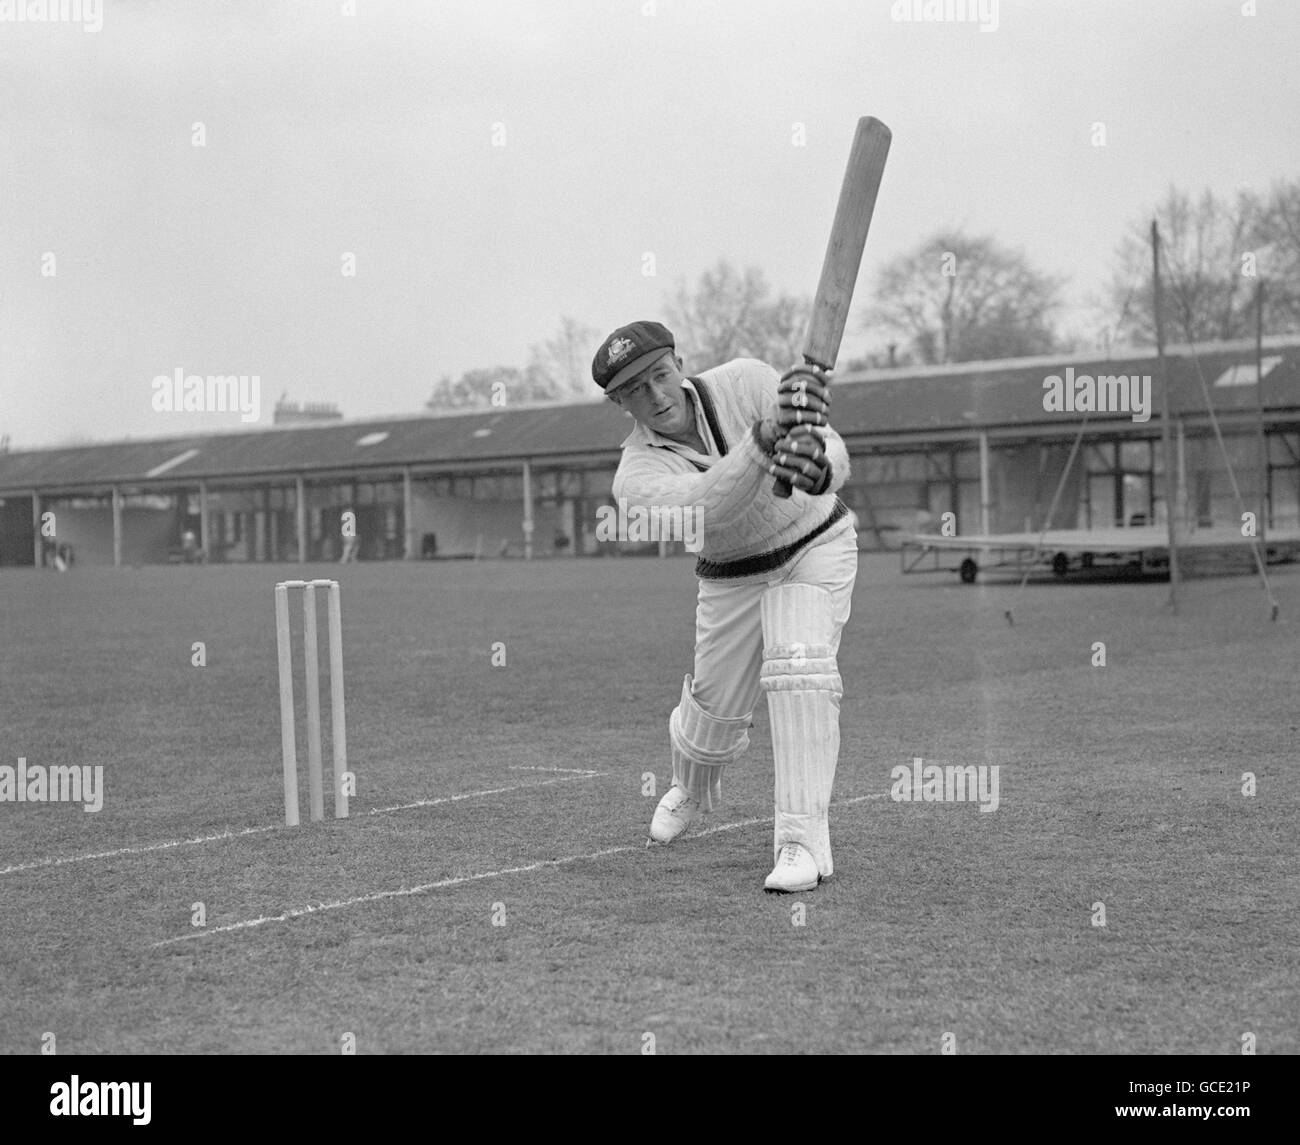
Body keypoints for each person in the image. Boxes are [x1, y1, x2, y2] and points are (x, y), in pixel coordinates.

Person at [592, 320, 857, 892]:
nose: (656, 396)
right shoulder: (634, 479)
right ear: (618, 403)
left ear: (679, 364)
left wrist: (820, 464)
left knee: (800, 668)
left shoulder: (747, 380)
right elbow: (707, 508)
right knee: (711, 723)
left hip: (817, 544)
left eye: (660, 375)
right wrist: (760, 447)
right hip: (731, 576)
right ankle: (689, 783)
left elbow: (830, 445)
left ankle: (800, 843)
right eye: (636, 390)